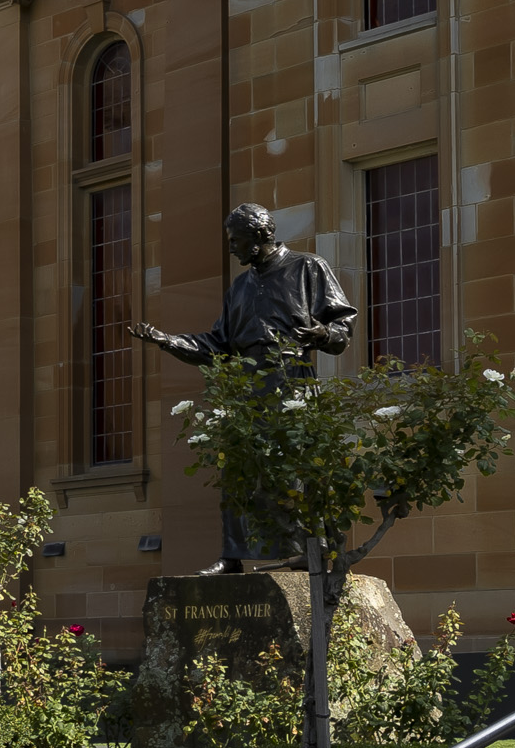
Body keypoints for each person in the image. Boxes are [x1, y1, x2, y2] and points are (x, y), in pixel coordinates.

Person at [131, 203, 357, 571]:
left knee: (294, 468)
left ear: (261, 236)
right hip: (250, 388)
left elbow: (343, 325)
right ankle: (232, 556)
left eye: (237, 240)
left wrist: (322, 332)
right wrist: (168, 341)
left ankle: (309, 550)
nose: (232, 247)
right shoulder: (239, 287)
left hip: (292, 383)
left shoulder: (307, 267)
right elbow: (218, 344)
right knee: (237, 467)